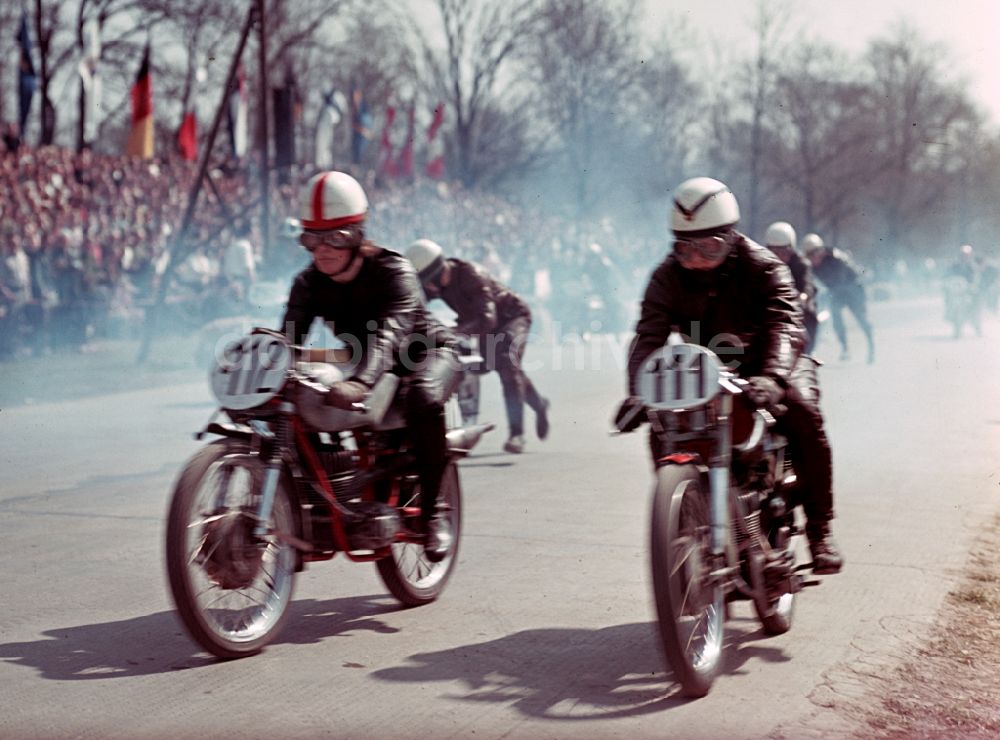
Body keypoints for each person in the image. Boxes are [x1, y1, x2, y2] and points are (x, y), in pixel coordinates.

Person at [617, 177, 842, 574]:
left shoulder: (765, 267)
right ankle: (687, 530)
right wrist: (640, 392)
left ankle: (820, 530)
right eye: (686, 247)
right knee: (662, 428)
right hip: (709, 370)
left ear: (730, 236)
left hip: (772, 364)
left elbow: (785, 324)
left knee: (805, 417)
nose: (697, 258)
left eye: (710, 246)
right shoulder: (666, 277)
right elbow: (648, 335)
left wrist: (772, 378)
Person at [280, 171, 456, 560]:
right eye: (311, 238)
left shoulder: (394, 270)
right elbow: (289, 340)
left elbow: (392, 333)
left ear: (357, 234)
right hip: (369, 365)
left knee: (423, 397)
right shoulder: (308, 283)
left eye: (335, 238)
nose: (322, 250)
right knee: (295, 402)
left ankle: (432, 517)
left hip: (425, 353)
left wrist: (360, 382)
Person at [406, 238, 550, 455]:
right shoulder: (433, 283)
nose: (429, 287)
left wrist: (454, 332)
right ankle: (539, 405)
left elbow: (487, 318)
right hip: (481, 325)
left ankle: (516, 433)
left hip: (511, 317)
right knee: (494, 365)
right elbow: (417, 308)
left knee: (507, 364)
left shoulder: (472, 274)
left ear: (436, 271)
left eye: (428, 281)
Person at [803, 233, 875, 364]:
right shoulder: (811, 266)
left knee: (861, 318)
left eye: (815, 253)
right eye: (810, 254)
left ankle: (871, 347)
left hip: (852, 290)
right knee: (836, 317)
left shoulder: (835, 256)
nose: (814, 257)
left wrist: (836, 289)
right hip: (836, 293)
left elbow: (847, 274)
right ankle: (845, 348)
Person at [764, 221, 820, 353]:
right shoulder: (763, 265)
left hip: (799, 310)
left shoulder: (801, 264)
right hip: (772, 312)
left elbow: (807, 285)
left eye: (784, 251)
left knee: (809, 325)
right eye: (774, 251)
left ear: (791, 249)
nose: (779, 256)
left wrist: (803, 297)